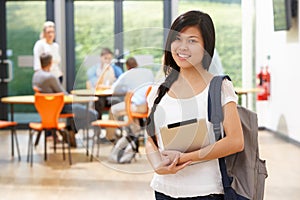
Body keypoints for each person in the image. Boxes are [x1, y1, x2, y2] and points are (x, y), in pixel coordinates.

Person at [145, 10, 244, 199]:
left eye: (192, 41)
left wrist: (183, 159)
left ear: (206, 47)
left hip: (205, 191)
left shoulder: (220, 87)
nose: (183, 47)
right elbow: (150, 138)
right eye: (178, 39)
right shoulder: (159, 89)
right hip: (163, 188)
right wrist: (157, 164)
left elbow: (235, 141)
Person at [32, 52, 98, 147]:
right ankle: (70, 130)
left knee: (80, 111)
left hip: (46, 109)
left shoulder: (36, 76)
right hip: (60, 107)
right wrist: (74, 98)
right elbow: (63, 94)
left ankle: (70, 130)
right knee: (93, 114)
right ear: (50, 63)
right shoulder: (50, 77)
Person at [106, 57, 154, 141]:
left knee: (113, 110)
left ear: (127, 66)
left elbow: (114, 88)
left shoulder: (126, 74)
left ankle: (110, 138)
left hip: (136, 106)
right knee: (130, 109)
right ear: (137, 64)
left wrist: (125, 88)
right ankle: (136, 135)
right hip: (149, 106)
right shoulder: (148, 72)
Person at [86, 47, 123, 119]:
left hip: (111, 96)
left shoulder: (116, 69)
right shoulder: (93, 70)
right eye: (105, 58)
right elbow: (96, 85)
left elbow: (121, 82)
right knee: (98, 101)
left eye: (110, 59)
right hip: (99, 97)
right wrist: (104, 71)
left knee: (117, 101)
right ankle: (97, 124)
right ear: (101, 58)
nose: (108, 61)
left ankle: (114, 126)